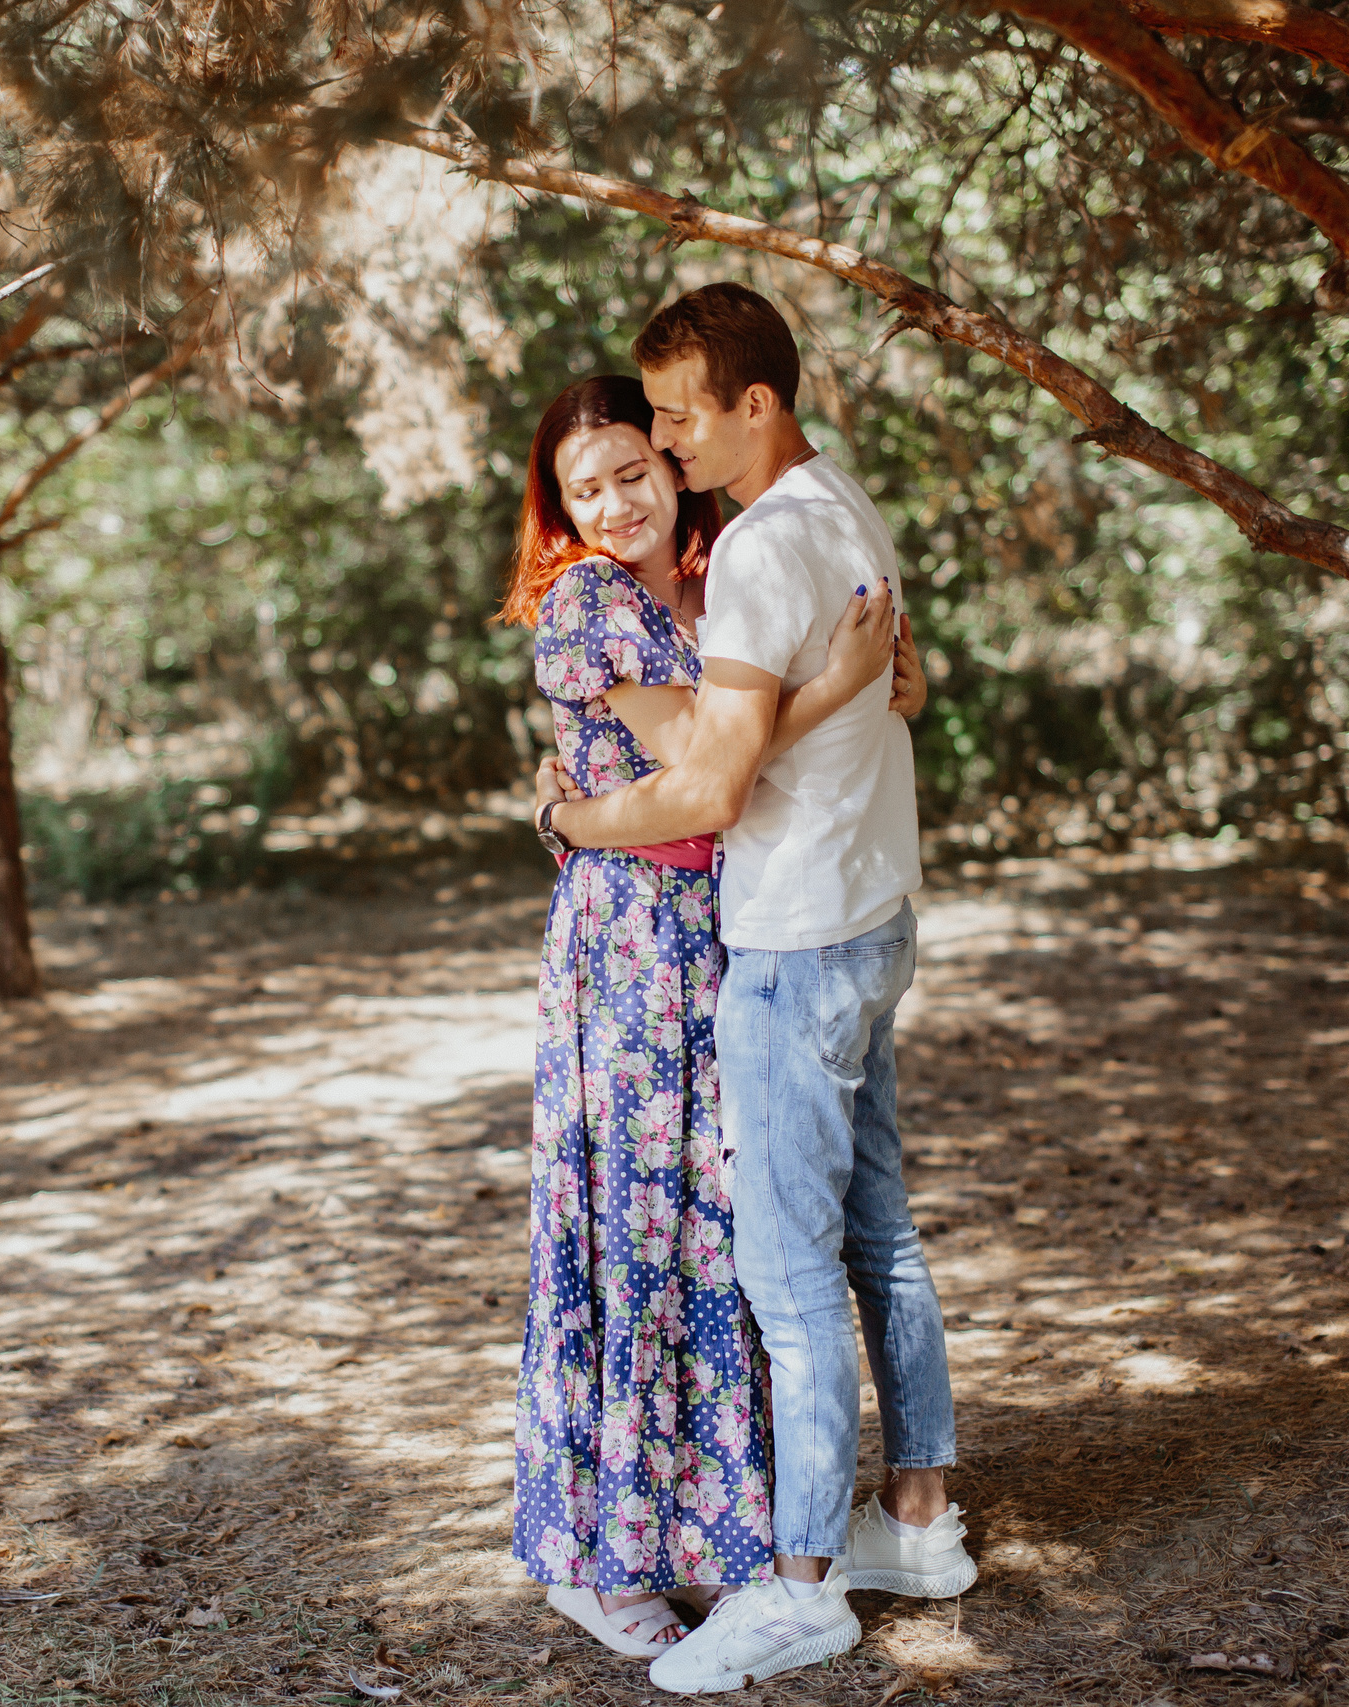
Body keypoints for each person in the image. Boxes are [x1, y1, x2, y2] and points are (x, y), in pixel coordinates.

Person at [531, 285, 975, 1695]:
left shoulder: (751, 550)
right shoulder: (795, 523)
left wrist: (566, 817)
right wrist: (856, 686)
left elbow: (711, 783)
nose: (638, 465)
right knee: (727, 1245)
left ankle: (798, 1576)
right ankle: (870, 1521)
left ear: (736, 419)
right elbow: (705, 783)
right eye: (591, 475)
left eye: (657, 436)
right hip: (686, 950)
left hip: (773, 933)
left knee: (774, 1267)